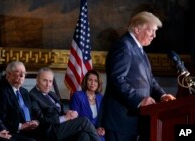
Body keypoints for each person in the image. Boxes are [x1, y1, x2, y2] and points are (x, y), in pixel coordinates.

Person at [99, 11, 176, 141]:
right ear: (137, 28)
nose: (154, 35)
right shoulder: (124, 46)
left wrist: (162, 95)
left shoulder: (139, 49)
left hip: (133, 121)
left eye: (155, 31)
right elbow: (117, 79)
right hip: (121, 120)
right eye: (151, 31)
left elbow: (150, 80)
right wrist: (140, 100)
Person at [29, 67, 101, 141]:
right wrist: (65, 117)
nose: (48, 84)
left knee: (83, 135)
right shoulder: (33, 96)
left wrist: (68, 113)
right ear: (37, 80)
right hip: (50, 131)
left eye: (50, 81)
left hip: (61, 128)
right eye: (45, 80)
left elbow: (61, 110)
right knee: (84, 121)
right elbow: (42, 121)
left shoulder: (52, 94)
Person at [0, 61, 40, 140]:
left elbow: (32, 113)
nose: (22, 75)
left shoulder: (24, 92)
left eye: (24, 73)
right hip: (13, 132)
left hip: (30, 130)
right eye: (18, 72)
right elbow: (0, 118)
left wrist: (35, 122)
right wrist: (21, 126)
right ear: (8, 74)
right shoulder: (1, 92)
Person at [70, 70, 105, 141]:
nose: (93, 83)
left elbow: (104, 118)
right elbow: (75, 119)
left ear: (98, 83)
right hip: (82, 130)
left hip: (98, 132)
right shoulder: (77, 96)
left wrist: (102, 128)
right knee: (85, 137)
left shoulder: (101, 98)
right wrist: (94, 130)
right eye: (90, 80)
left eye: (96, 81)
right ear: (86, 81)